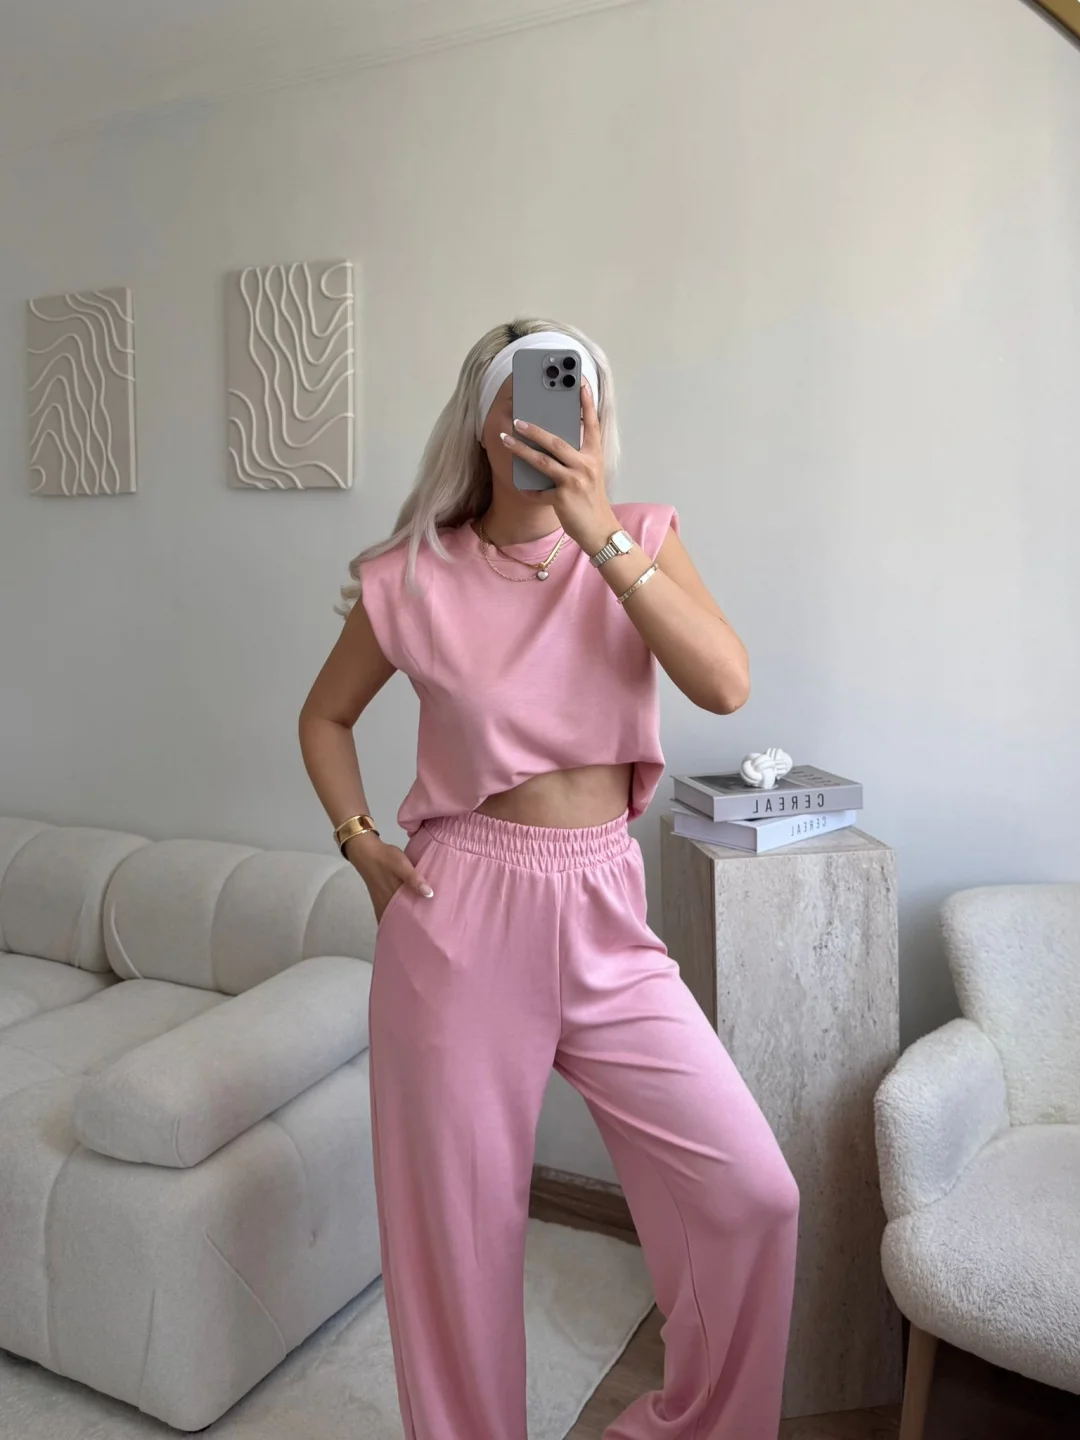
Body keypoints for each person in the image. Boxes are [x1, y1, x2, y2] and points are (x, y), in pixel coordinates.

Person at [298, 318, 799, 1439]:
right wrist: (360, 841)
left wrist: (598, 532)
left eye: (578, 391)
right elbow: (323, 717)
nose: (555, 413)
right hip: (460, 910)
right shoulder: (411, 576)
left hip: (604, 903)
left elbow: (724, 684)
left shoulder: (641, 538)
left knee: (752, 1193)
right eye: (528, 391)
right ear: (482, 421)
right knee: (457, 1242)